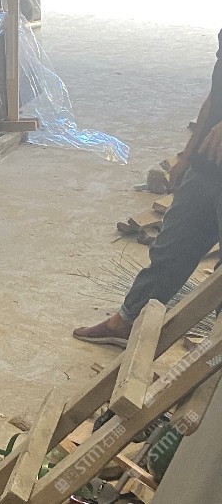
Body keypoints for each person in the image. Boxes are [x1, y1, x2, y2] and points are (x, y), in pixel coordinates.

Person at [75, 30, 222, 347]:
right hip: (207, 166)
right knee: (172, 248)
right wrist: (187, 155)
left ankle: (214, 354)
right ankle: (127, 320)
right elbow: (216, 94)